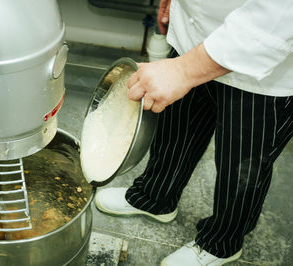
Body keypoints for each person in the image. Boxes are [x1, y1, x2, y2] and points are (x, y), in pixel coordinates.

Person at [94, 0, 293, 265]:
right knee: (177, 127)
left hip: (263, 68)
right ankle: (155, 197)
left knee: (243, 166)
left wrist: (184, 70)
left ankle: (221, 242)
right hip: (194, 36)